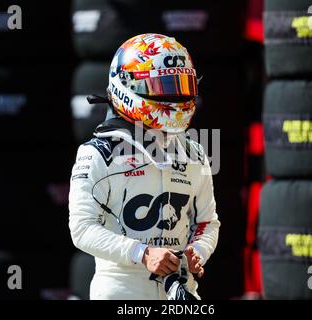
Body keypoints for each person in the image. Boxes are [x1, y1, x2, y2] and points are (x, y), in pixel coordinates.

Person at [68, 33, 220, 300]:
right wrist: (143, 254)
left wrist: (197, 252)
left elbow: (208, 222)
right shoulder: (97, 154)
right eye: (166, 87)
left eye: (182, 84)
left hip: (182, 293)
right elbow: (82, 229)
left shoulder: (195, 151)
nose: (177, 95)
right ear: (128, 86)